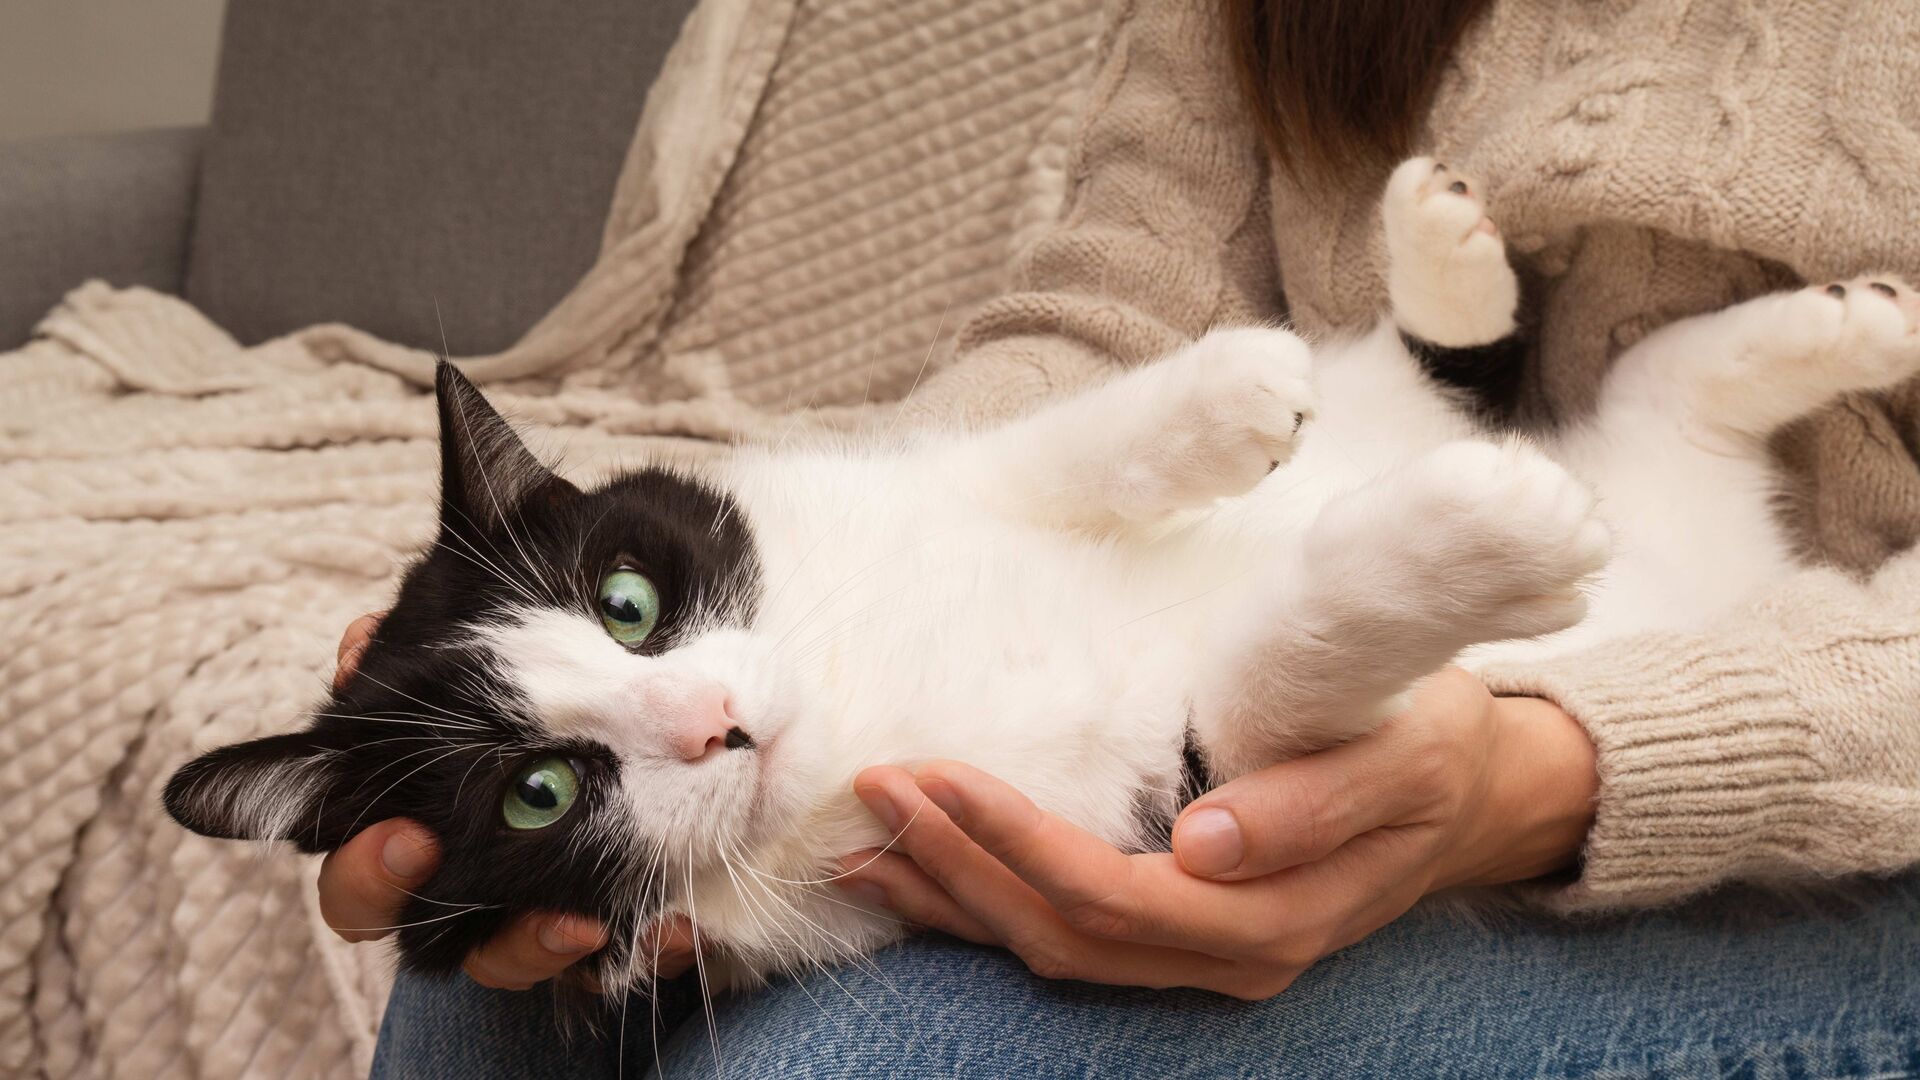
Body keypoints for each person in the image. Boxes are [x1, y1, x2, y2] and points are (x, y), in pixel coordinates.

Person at [337, 1, 1920, 1075]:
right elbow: (1116, 309)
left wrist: (1546, 774)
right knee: (476, 1011)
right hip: (1378, 500)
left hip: (1838, 796)